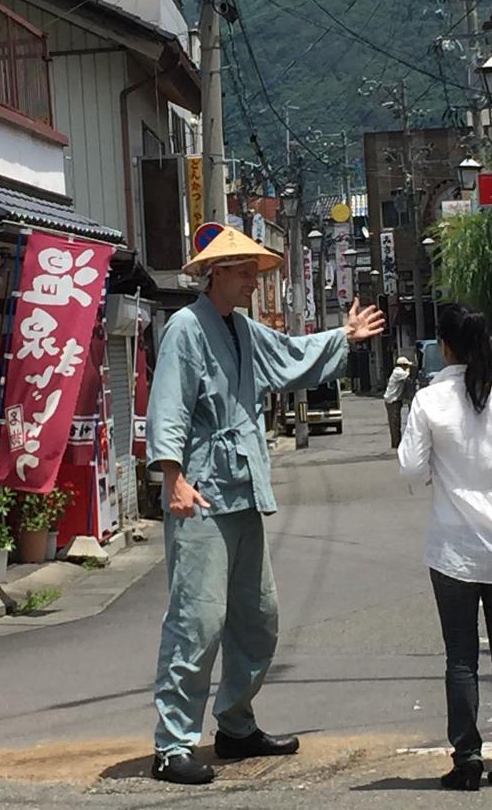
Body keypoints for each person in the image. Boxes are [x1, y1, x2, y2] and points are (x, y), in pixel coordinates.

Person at [146, 225, 385, 785]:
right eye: (246, 271)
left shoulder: (242, 329)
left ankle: (235, 724)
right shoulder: (185, 328)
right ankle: (172, 743)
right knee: (197, 619)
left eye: (255, 269)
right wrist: (172, 478)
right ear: (218, 273)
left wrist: (342, 338)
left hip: (243, 485)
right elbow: (169, 407)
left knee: (258, 616)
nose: (256, 280)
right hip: (201, 491)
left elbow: (289, 357)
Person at [398, 304, 492, 791]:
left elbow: (412, 472)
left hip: (453, 550)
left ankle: (466, 761)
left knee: (460, 658)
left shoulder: (428, 402)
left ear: (443, 348)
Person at [383, 356, 413, 448]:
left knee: (396, 423)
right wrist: (410, 369)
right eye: (406, 365)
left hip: (394, 400)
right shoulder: (398, 372)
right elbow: (408, 375)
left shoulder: (398, 372)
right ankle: (396, 444)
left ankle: (397, 443)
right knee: (395, 423)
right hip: (392, 401)